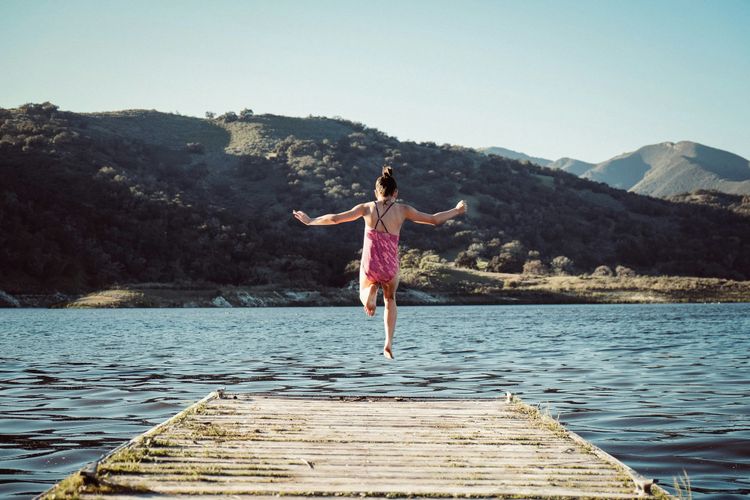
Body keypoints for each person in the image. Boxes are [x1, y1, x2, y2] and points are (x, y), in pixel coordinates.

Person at [292, 166, 467, 360]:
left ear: (375, 192)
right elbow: (434, 219)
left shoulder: (366, 208)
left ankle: (370, 291)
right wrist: (457, 210)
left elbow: (335, 219)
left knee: (363, 293)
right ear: (396, 193)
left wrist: (310, 220)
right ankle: (388, 343)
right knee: (390, 300)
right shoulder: (403, 210)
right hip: (390, 266)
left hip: (371, 264)